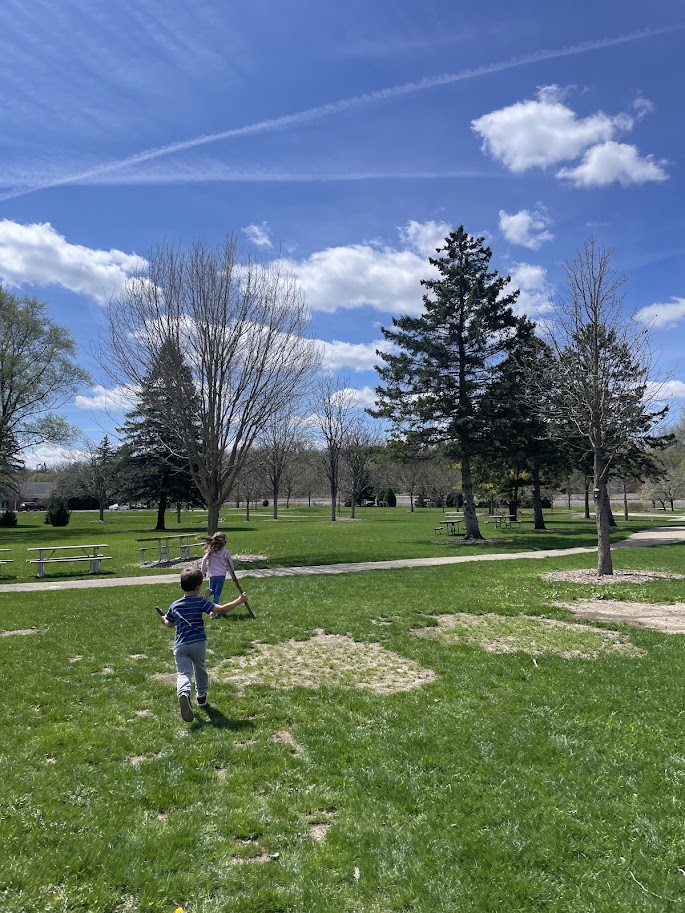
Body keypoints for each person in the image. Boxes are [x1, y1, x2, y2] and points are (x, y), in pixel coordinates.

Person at [160, 567, 247, 722]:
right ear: (199, 587)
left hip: (180, 646)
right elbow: (222, 609)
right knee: (200, 669)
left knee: (183, 673)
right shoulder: (201, 601)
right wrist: (239, 601)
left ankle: (184, 693)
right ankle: (201, 697)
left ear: (181, 586)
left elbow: (169, 624)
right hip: (197, 643)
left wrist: (163, 619)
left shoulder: (175, 605)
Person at [200, 531, 235, 604]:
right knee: (217, 593)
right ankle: (214, 609)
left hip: (212, 575)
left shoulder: (210, 551)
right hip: (221, 575)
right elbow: (230, 565)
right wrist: (232, 575)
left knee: (212, 588)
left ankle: (210, 591)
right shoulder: (225, 552)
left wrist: (203, 571)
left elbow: (204, 560)